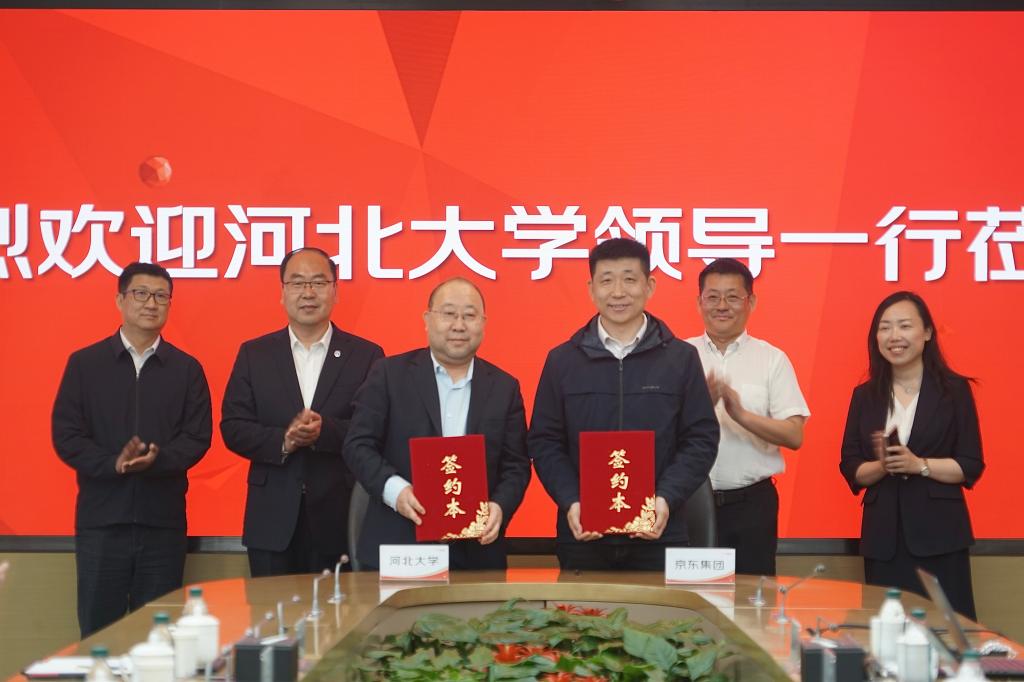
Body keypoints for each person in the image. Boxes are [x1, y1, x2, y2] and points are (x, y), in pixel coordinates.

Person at [529, 238, 719, 571]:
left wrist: (666, 498)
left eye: (630, 279)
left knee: (661, 609)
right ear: (591, 289)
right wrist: (571, 499)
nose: (618, 292)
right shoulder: (562, 361)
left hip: (660, 533)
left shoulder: (681, 359)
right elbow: (545, 442)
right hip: (583, 534)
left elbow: (700, 439)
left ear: (650, 286)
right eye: (606, 280)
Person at [52, 262, 212, 637]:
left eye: (160, 296)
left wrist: (157, 460)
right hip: (101, 524)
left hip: (163, 525)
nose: (150, 303)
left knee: (158, 635)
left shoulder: (186, 369)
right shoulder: (85, 364)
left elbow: (197, 437)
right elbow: (67, 436)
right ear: (120, 300)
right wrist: (113, 464)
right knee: (99, 633)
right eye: (140, 294)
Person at [344, 278, 531, 569]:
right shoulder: (389, 375)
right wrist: (396, 491)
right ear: (427, 319)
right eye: (449, 314)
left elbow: (516, 465)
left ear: (483, 323)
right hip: (400, 547)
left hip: (477, 551)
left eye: (469, 315)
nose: (459, 325)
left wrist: (500, 506)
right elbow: (357, 445)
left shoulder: (504, 387)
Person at [221, 248, 384, 577]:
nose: (308, 293)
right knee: (271, 609)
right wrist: (284, 440)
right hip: (271, 519)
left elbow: (376, 428)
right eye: (297, 283)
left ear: (335, 290)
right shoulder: (255, 354)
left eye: (319, 282)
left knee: (338, 609)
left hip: (338, 516)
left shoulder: (366, 355)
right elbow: (234, 427)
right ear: (282, 292)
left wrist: (325, 432)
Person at [840, 291, 983, 620]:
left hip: (941, 535)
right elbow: (850, 466)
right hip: (884, 539)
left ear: (927, 332)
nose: (894, 336)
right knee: (890, 632)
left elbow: (971, 464)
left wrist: (919, 465)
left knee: (946, 631)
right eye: (885, 327)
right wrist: (882, 465)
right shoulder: (865, 395)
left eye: (904, 326)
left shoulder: (953, 391)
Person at [685, 258, 809, 576]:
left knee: (752, 597)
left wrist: (741, 414)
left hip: (751, 505)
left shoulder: (772, 359)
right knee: (690, 597)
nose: (721, 306)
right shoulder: (678, 357)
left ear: (750, 302)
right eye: (713, 297)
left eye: (732, 297)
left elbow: (794, 435)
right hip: (689, 502)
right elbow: (656, 433)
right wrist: (698, 407)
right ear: (699, 302)